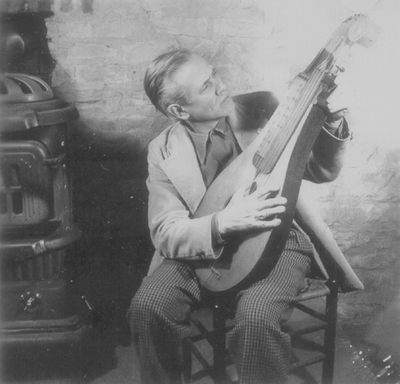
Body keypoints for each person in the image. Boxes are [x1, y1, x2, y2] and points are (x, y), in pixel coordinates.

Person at [127, 48, 353, 384]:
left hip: (277, 235)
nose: (220, 85)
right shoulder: (162, 150)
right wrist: (223, 223)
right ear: (178, 110)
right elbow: (166, 230)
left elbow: (320, 170)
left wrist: (330, 119)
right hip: (205, 247)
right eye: (205, 86)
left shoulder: (264, 109)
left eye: (214, 73)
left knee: (258, 317)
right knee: (148, 306)